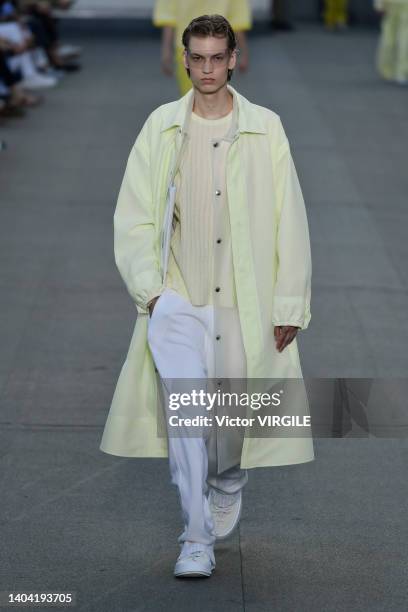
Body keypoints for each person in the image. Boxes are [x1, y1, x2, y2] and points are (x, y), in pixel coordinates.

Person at [100, 14, 315, 579]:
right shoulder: (161, 127)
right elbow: (135, 215)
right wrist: (153, 295)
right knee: (188, 425)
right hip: (178, 299)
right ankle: (195, 538)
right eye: (198, 57)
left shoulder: (266, 128)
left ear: (234, 59)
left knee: (231, 428)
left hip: (244, 301)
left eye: (218, 57)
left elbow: (290, 217)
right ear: (186, 60)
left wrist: (289, 302)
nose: (208, 69)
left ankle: (228, 481)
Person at [153, 0, 251, 95]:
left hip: (190, 48)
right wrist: (243, 53)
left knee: (195, 98)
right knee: (209, 96)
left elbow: (169, 16)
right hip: (217, 50)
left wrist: (166, 52)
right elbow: (237, 17)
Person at [374, 0, 408, 84]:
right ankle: (403, 72)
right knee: (405, 38)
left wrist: (379, 5)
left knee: (388, 37)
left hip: (390, 3)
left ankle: (386, 70)